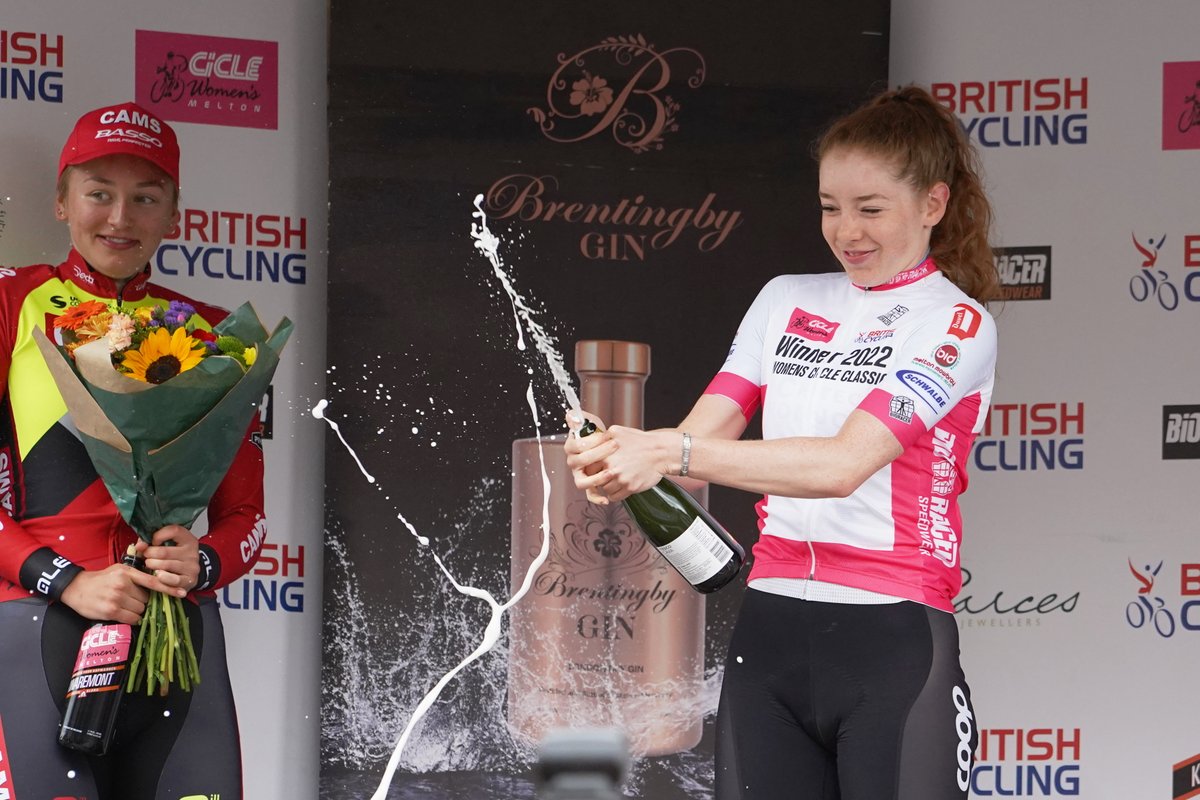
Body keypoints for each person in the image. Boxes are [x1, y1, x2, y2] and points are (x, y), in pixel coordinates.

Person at [565, 84, 999, 800]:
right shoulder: (785, 299)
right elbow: (699, 438)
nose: (846, 230)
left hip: (891, 637)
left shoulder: (957, 325)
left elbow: (844, 464)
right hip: (771, 634)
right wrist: (620, 459)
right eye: (830, 206)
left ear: (933, 205)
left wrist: (663, 452)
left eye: (870, 209)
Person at [0, 102, 266, 799]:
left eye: (146, 198)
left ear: (176, 216)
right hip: (41, 628)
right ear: (61, 201)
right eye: (99, 193)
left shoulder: (215, 335)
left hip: (177, 643)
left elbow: (248, 519)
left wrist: (198, 560)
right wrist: (67, 580)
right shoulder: (11, 305)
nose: (120, 217)